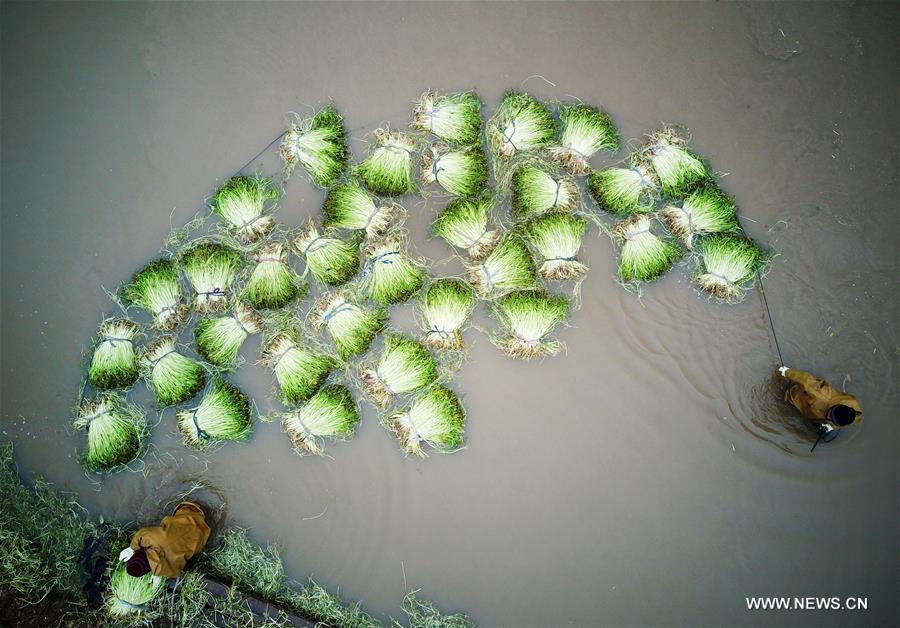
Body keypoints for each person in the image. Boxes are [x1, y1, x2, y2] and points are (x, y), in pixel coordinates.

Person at [118, 501, 211, 583]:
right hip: (189, 513)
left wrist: (158, 573)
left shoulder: (169, 569)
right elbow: (141, 534)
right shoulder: (152, 539)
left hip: (203, 535)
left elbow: (177, 572)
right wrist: (132, 548)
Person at [778, 366, 862, 433]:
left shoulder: (854, 412)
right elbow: (806, 380)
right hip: (799, 395)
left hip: (815, 415)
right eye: (831, 414)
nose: (829, 417)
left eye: (832, 419)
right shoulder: (821, 395)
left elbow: (858, 418)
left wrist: (832, 426)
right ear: (836, 407)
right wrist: (787, 372)